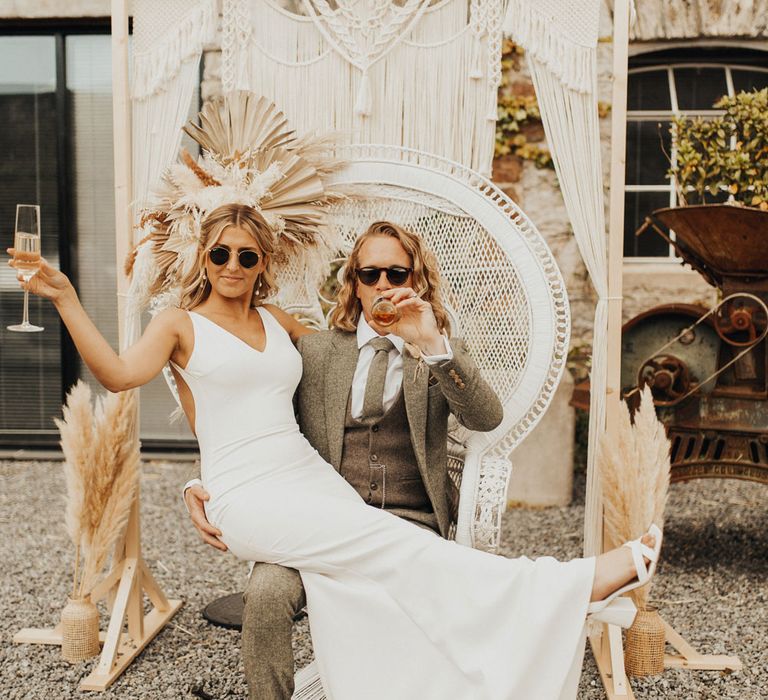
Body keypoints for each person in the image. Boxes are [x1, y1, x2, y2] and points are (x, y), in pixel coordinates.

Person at [12, 203, 661, 700]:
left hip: (311, 482)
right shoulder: (177, 324)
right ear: (203, 259)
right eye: (220, 255)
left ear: (264, 262)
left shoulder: (287, 327)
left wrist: (426, 337)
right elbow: (127, 378)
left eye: (246, 256)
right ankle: (569, 584)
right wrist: (67, 297)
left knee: (390, 555)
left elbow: (457, 403)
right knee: (389, 552)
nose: (233, 267)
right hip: (249, 495)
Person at [183, 219, 504, 699]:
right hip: (314, 520)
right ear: (352, 283)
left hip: (409, 522)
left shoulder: (437, 351)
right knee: (267, 595)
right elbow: (251, 423)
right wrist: (197, 482)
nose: (383, 286)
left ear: (415, 280)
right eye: (369, 274)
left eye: (397, 274)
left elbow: (486, 418)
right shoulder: (315, 352)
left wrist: (434, 345)